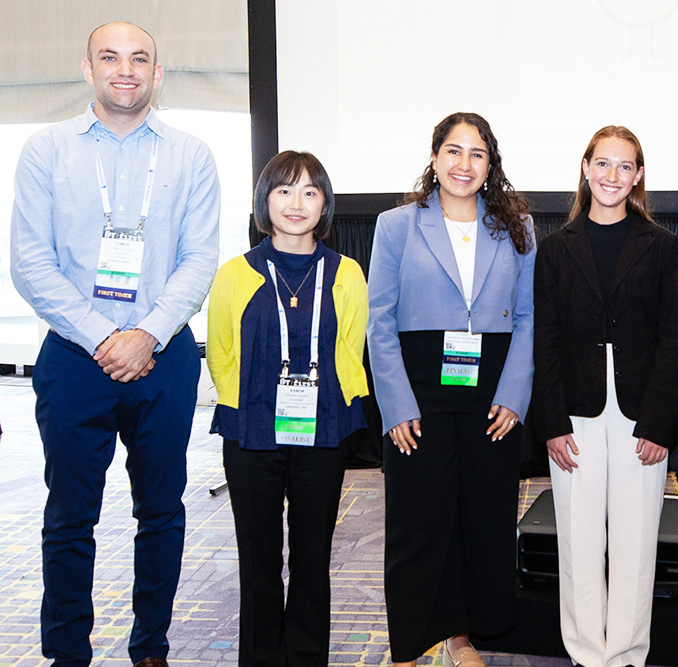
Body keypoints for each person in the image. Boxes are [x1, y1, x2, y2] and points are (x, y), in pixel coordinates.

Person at [9, 21, 219, 667]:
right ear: (88, 68)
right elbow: (30, 263)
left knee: (162, 512)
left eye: (138, 59)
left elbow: (199, 259)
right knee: (69, 517)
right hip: (75, 357)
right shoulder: (45, 150)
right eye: (110, 57)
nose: (124, 69)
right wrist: (107, 337)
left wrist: (147, 334)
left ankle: (151, 646)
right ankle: (67, 652)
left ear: (157, 73)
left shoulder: (191, 155)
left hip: (165, 356)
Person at [367, 112, 535, 667]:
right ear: (435, 157)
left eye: (477, 154)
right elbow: (379, 322)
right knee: (417, 522)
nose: (465, 164)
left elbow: (529, 318)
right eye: (454, 151)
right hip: (418, 390)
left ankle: (462, 638)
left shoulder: (517, 227)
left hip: (493, 392)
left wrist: (514, 395)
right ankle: (408, 647)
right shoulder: (396, 225)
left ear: (491, 164)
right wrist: (395, 406)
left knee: (482, 518)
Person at [531, 126, 678, 667]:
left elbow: (675, 341)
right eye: (603, 163)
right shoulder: (555, 248)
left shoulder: (662, 246)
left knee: (635, 540)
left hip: (641, 416)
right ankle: (585, 652)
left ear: (638, 176)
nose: (612, 176)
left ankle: (624, 653)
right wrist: (551, 422)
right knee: (577, 539)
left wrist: (659, 424)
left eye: (625, 166)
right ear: (585, 167)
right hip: (573, 415)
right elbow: (545, 341)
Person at [207, 151, 368, 667]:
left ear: (324, 204)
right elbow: (221, 353)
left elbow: (351, 347)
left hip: (323, 433)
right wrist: (245, 408)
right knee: (257, 558)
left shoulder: (346, 273)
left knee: (312, 557)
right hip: (251, 432)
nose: (296, 202)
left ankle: (305, 658)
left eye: (309, 192)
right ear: (265, 200)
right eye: (284, 190)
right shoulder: (235, 273)